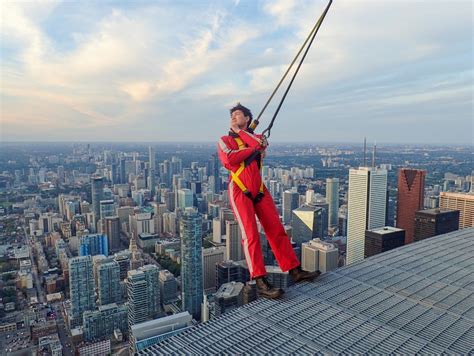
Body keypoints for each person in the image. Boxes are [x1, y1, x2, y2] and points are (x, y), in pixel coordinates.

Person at [217, 103, 320, 299]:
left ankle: (294, 270)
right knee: (251, 235)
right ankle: (260, 281)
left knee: (276, 229)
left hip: (259, 189)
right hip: (240, 189)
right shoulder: (224, 140)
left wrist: (247, 140)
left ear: (247, 118)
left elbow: (260, 145)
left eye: (237, 114)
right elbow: (229, 160)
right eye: (231, 115)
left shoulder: (254, 138)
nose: (233, 118)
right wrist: (247, 142)